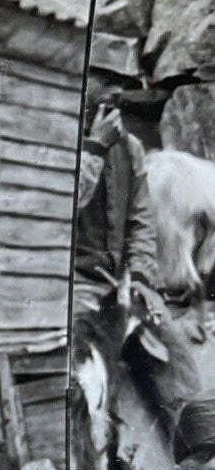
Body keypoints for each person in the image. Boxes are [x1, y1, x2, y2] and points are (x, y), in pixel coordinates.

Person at [73, 100, 160, 319]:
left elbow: (142, 221)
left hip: (118, 285)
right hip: (74, 286)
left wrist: (139, 275)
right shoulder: (64, 139)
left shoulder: (130, 147)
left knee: (166, 342)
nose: (114, 96)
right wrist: (95, 148)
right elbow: (66, 204)